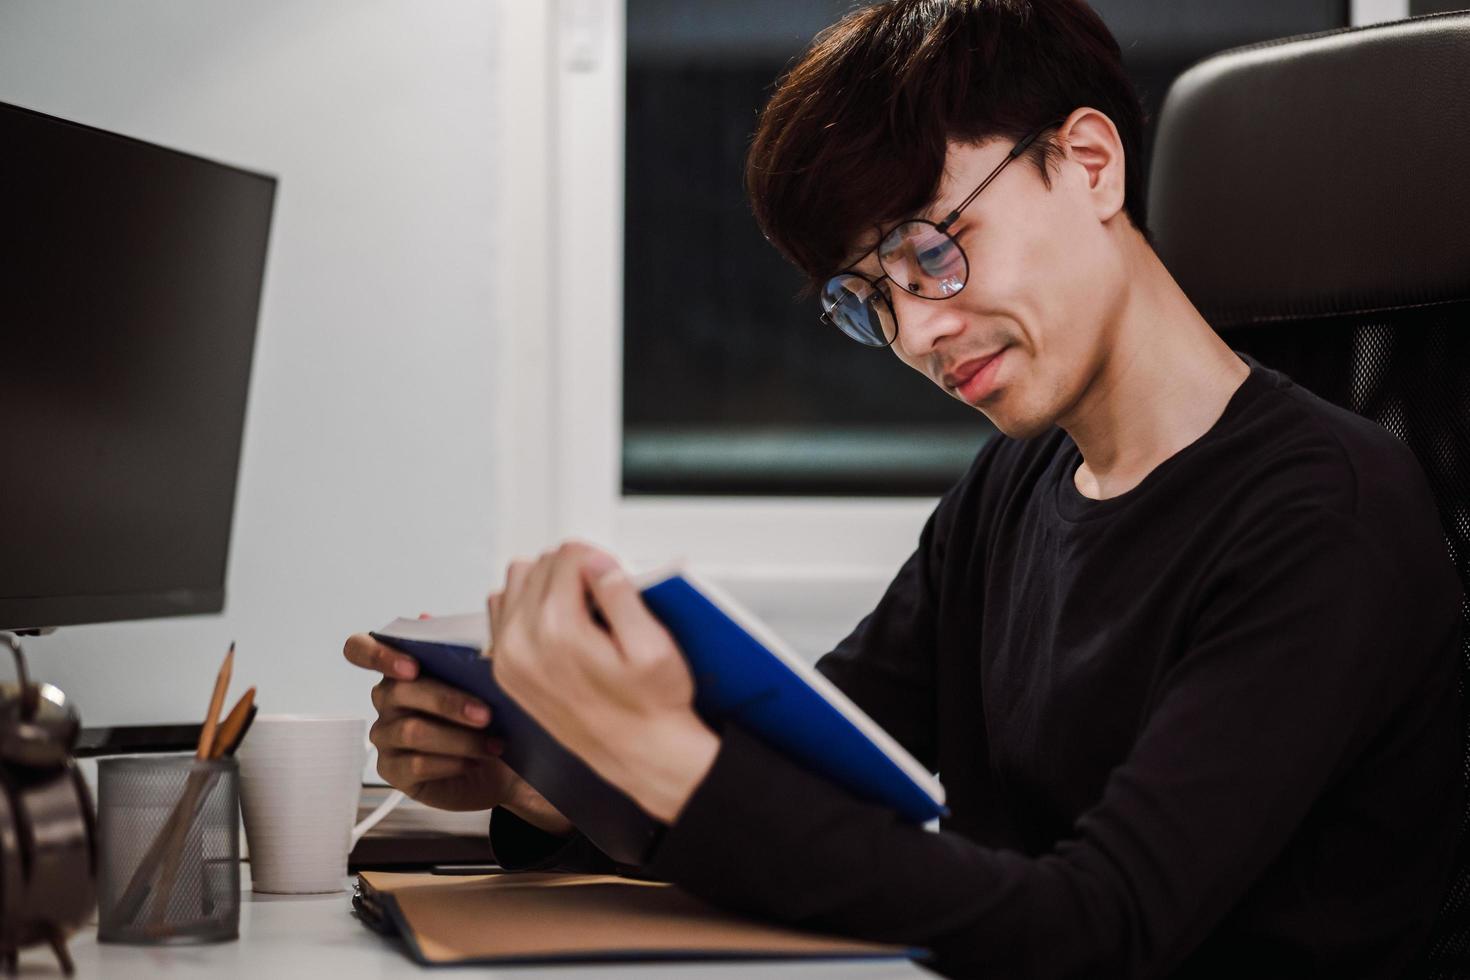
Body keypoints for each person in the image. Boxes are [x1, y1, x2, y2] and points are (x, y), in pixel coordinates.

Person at [342, 0, 1464, 975]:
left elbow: (1098, 931)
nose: (917, 330)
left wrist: (664, 763)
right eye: (871, 298)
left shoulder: (1327, 515)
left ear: (1090, 165)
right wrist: (550, 773)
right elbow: (814, 769)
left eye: (934, 248)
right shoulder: (1012, 484)